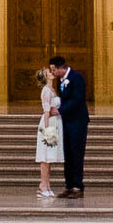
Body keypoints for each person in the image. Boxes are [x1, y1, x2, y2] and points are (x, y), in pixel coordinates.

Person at [49, 52, 89, 198]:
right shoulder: (60, 81)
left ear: (61, 68)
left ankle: (78, 186)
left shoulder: (76, 78)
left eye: (53, 70)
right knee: (68, 154)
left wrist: (59, 110)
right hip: (66, 122)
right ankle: (69, 185)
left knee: (76, 153)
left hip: (78, 122)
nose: (52, 73)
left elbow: (77, 99)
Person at [34, 66, 61, 198]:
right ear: (46, 77)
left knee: (49, 157)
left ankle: (47, 185)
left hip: (54, 123)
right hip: (48, 124)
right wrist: (47, 130)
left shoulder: (52, 90)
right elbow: (46, 111)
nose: (52, 72)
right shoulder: (46, 90)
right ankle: (43, 185)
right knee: (45, 157)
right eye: (49, 72)